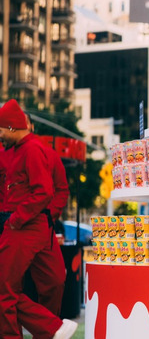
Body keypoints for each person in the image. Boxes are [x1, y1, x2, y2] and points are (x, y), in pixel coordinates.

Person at [0, 99, 77, 338]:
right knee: (9, 289)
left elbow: (48, 190)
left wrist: (21, 218)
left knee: (10, 290)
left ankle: (50, 329)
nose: (0, 136)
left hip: (24, 223)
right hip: (24, 222)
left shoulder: (33, 149)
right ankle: (51, 329)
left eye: (1, 130)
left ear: (13, 127)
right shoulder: (14, 150)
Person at [21, 112, 70, 317]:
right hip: (11, 226)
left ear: (31, 126)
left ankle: (46, 331)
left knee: (55, 281)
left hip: (41, 226)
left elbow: (61, 189)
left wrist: (50, 215)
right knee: (9, 287)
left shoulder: (47, 153)